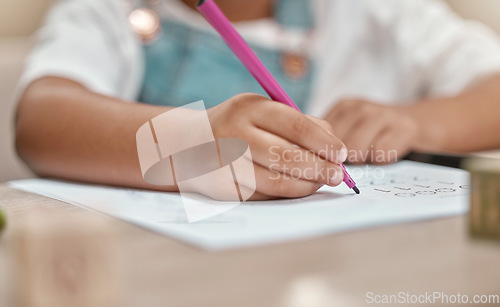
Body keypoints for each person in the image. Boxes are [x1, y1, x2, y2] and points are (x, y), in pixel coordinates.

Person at [14, 0, 500, 200]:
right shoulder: (109, 11)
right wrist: (191, 144)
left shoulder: (372, 11)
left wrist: (420, 123)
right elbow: (41, 119)